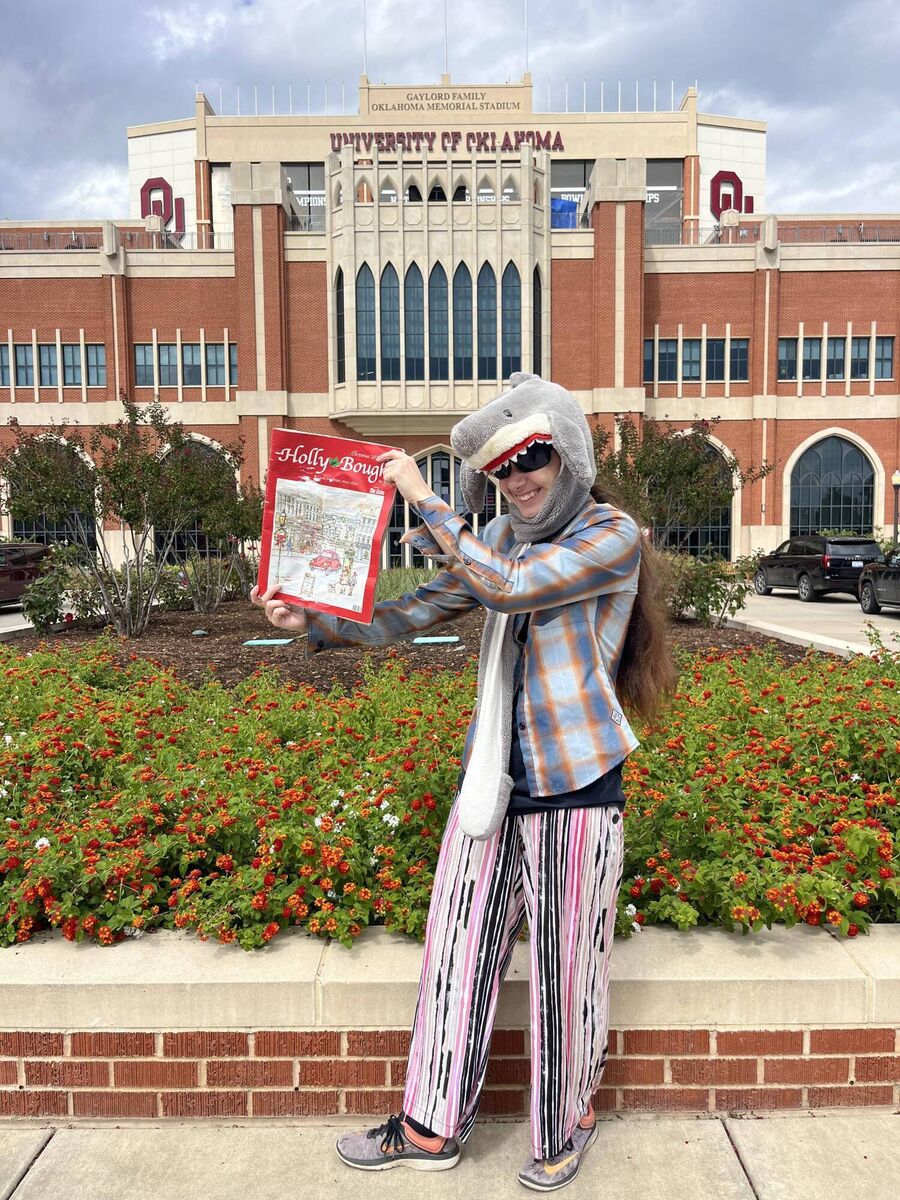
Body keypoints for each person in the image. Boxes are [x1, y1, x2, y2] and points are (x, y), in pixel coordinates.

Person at [251, 373, 676, 1191]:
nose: (518, 478)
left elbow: (505, 589)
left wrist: (421, 494)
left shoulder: (610, 534)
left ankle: (565, 1124)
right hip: (492, 785)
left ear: (570, 454)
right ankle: (428, 1126)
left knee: (567, 970)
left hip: (576, 789)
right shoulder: (501, 542)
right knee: (455, 954)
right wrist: (318, 621)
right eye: (501, 468)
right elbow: (421, 608)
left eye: (533, 457)